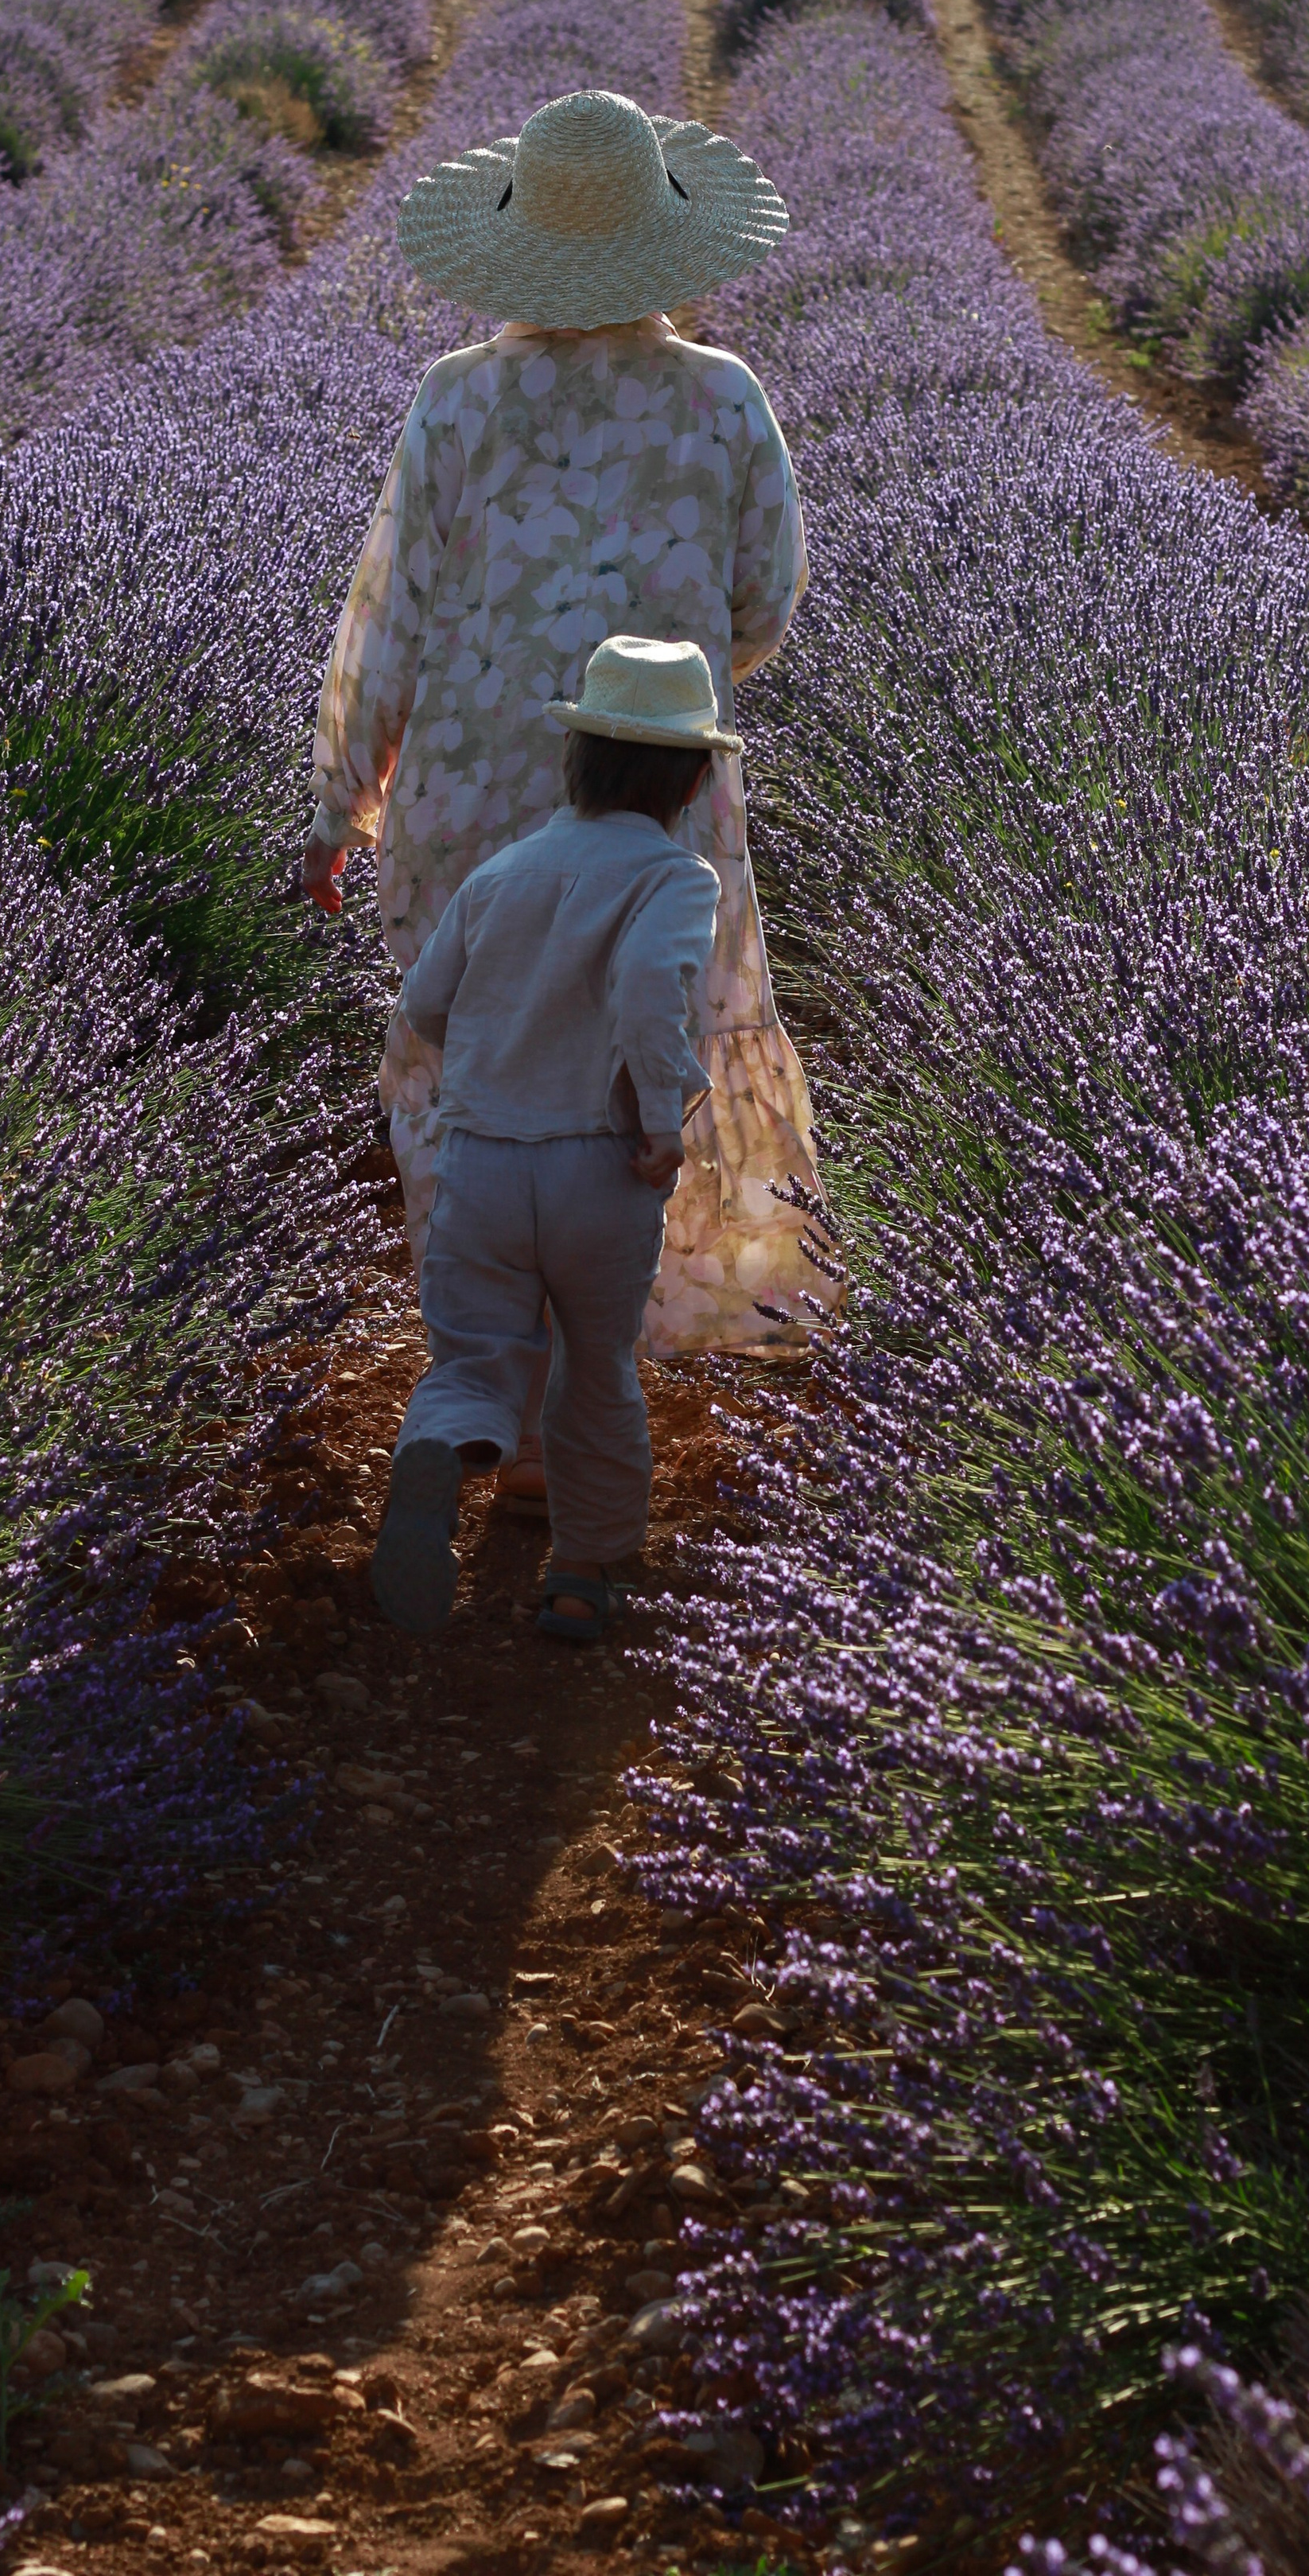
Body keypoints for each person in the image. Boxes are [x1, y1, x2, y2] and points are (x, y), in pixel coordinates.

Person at [304, 85, 835, 1502]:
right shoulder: (725, 401)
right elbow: (765, 603)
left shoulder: (456, 401)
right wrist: (672, 671)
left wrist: (342, 797)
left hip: (466, 803)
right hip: (652, 795)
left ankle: (501, 1387)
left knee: (471, 1081)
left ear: (520, 239)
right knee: (636, 1065)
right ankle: (590, 1397)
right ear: (665, 243)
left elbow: (391, 616)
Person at [370, 636, 725, 1644]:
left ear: (574, 760)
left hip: (482, 1158)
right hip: (598, 1166)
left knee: (476, 1353)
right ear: (693, 778)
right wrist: (660, 1122)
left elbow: (425, 1005)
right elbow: (653, 994)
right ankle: (580, 1575)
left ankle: (446, 1443)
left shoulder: (504, 871)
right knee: (595, 1370)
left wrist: (504, 1049)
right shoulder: (674, 879)